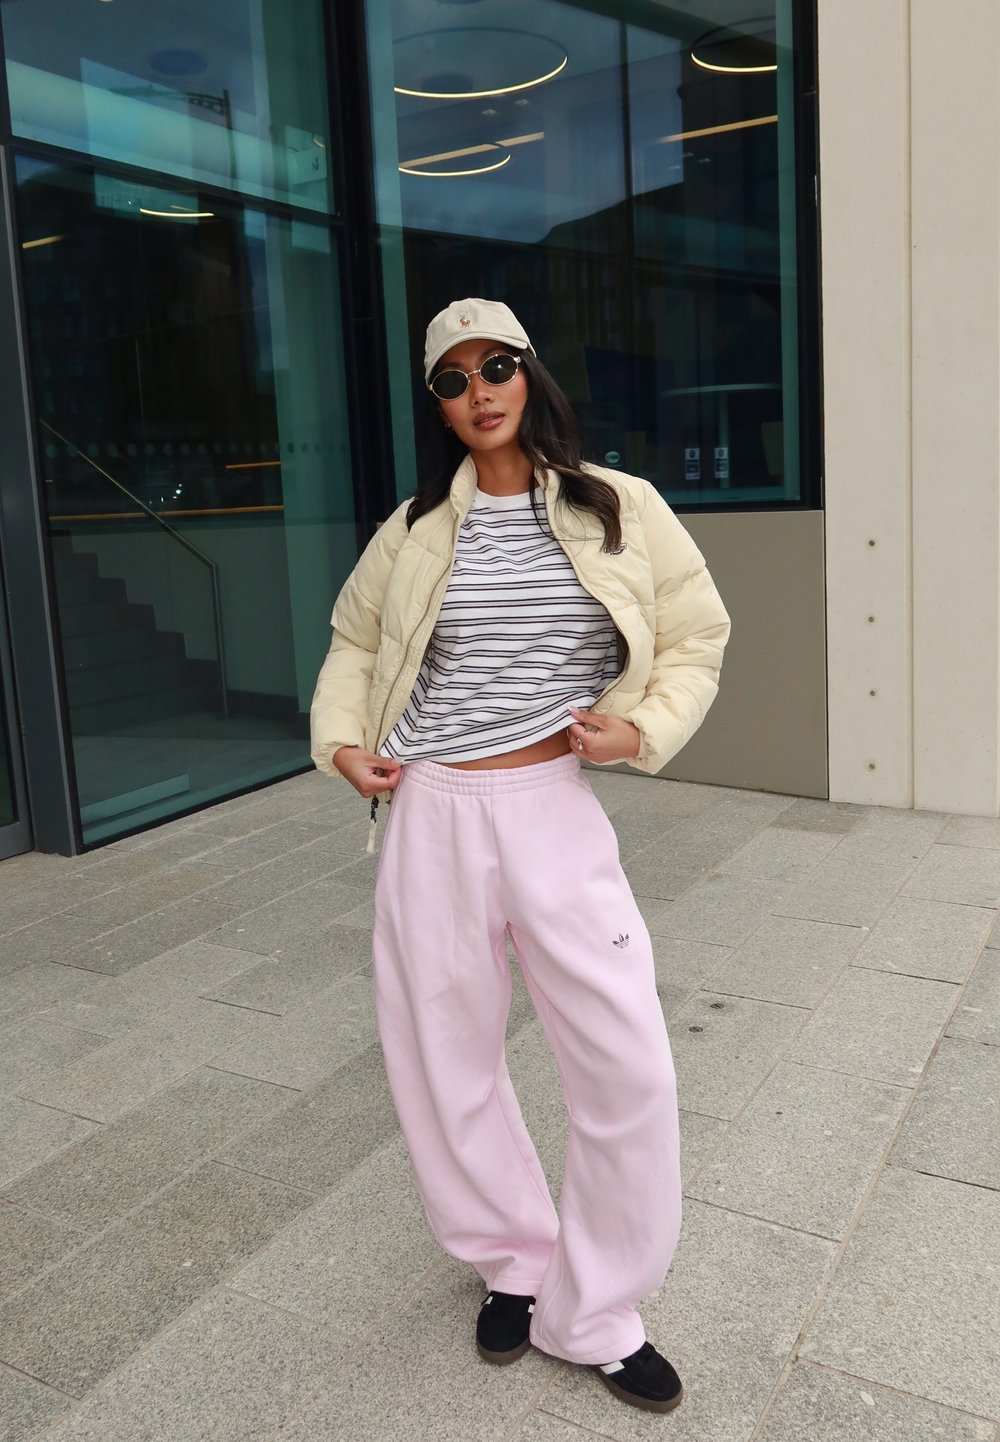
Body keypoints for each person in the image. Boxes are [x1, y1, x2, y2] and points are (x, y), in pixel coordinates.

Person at [310, 298, 730, 1415]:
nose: (478, 390)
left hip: (552, 805)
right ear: (440, 407)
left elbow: (696, 635)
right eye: (451, 380)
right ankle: (513, 1259)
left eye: (494, 365)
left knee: (627, 1061)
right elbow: (355, 641)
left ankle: (598, 1310)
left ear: (530, 374)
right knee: (444, 1057)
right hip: (432, 810)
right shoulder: (412, 529)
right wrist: (342, 742)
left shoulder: (618, 505)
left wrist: (643, 729)